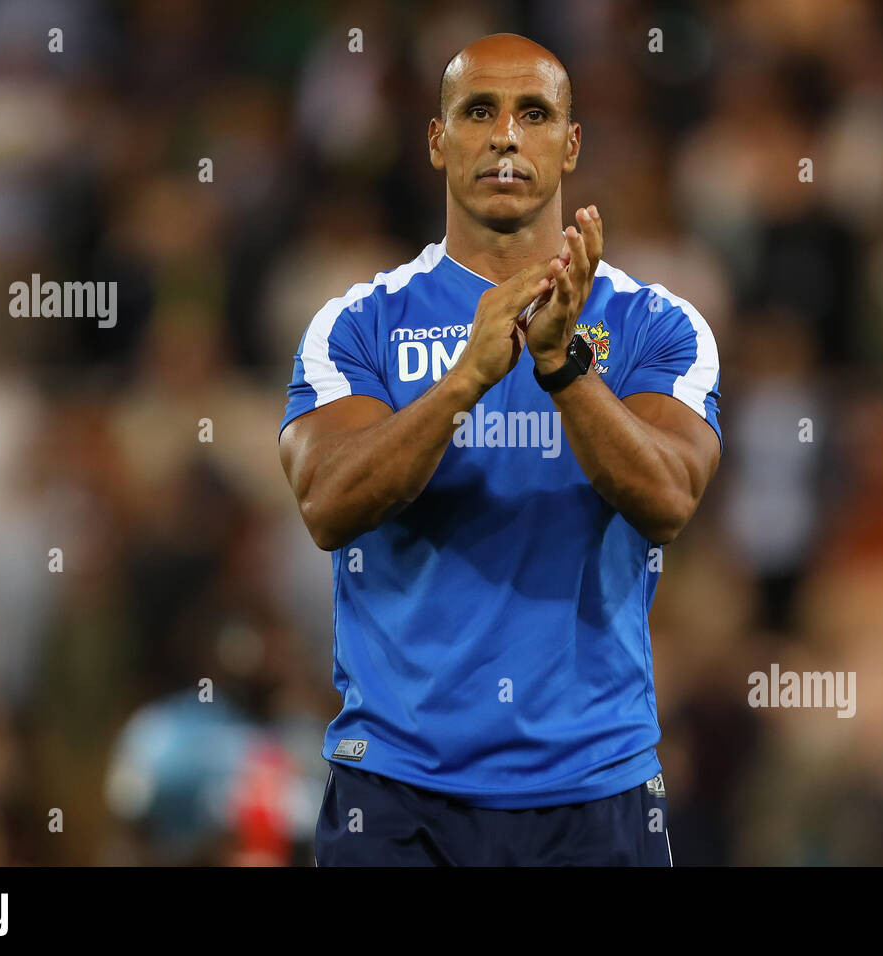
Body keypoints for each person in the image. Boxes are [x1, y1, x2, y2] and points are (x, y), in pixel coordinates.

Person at [277, 33, 721, 865]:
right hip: (399, 794)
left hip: (593, 793)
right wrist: (461, 383)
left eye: (534, 113)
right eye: (479, 111)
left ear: (571, 143)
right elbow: (326, 505)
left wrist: (561, 367)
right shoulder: (357, 324)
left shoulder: (655, 326)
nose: (506, 135)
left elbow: (668, 501)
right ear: (439, 140)